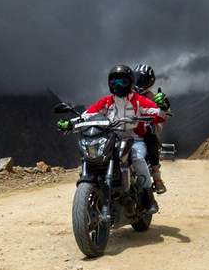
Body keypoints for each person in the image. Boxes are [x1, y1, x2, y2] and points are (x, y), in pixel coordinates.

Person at [61, 65, 167, 214]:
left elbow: (157, 114)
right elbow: (88, 114)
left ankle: (149, 199)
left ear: (130, 83)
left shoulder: (139, 100)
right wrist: (71, 122)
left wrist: (163, 109)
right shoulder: (106, 102)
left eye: (122, 82)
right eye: (115, 82)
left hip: (134, 138)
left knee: (137, 158)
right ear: (110, 84)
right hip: (112, 137)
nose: (118, 86)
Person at [132, 64, 170, 194]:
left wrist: (152, 126)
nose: (139, 83)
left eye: (143, 80)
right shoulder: (124, 95)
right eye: (137, 78)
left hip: (143, 133)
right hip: (125, 131)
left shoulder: (153, 99)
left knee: (151, 139)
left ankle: (157, 178)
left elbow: (160, 120)